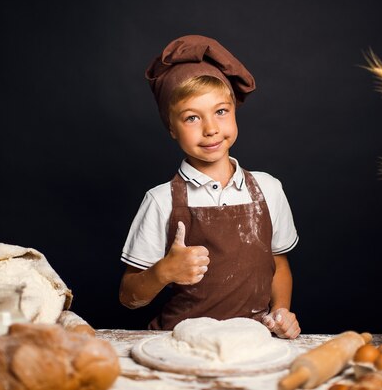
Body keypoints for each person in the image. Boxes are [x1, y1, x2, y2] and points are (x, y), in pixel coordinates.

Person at [119, 35, 301, 339]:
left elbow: (278, 265)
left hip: (252, 341)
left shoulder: (269, 189)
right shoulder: (161, 200)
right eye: (192, 117)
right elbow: (128, 296)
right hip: (179, 342)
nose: (211, 129)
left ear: (234, 111)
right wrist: (165, 271)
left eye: (220, 111)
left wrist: (281, 311)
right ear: (171, 128)